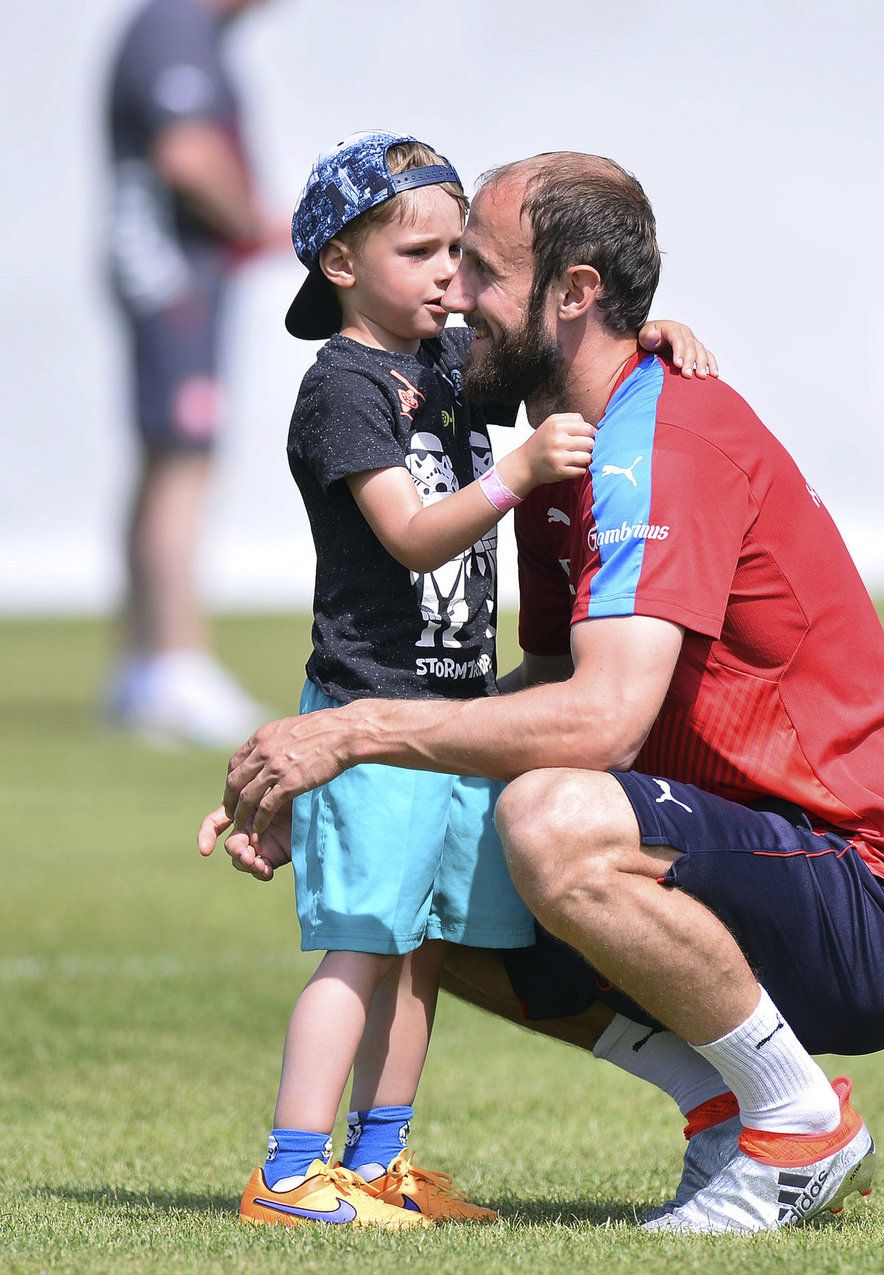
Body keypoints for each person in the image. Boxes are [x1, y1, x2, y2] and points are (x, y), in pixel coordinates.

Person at [202, 149, 884, 1236]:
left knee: (545, 812)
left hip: (866, 898)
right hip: (742, 852)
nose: (451, 292)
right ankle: (721, 1105)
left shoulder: (664, 439)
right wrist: (334, 764)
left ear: (574, 294)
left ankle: (798, 1126)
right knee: (419, 837)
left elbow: (602, 721)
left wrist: (361, 730)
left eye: (477, 267)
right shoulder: (555, 465)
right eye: (439, 259)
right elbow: (557, 679)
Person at [206, 131, 714, 1230]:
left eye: (460, 253)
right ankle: (290, 1174)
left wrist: (643, 342)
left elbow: (541, 370)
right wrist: (518, 474)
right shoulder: (342, 387)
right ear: (341, 265)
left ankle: (380, 1162)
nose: (452, 275)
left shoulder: (440, 365)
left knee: (425, 950)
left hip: (454, 716)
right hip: (368, 711)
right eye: (422, 251)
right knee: (361, 949)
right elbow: (408, 536)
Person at [104, 0, 284, 746]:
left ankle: (143, 666)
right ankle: (177, 665)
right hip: (174, 284)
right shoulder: (176, 26)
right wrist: (255, 221)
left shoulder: (177, 30)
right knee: (185, 466)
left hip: (164, 282)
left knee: (162, 464)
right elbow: (187, 153)